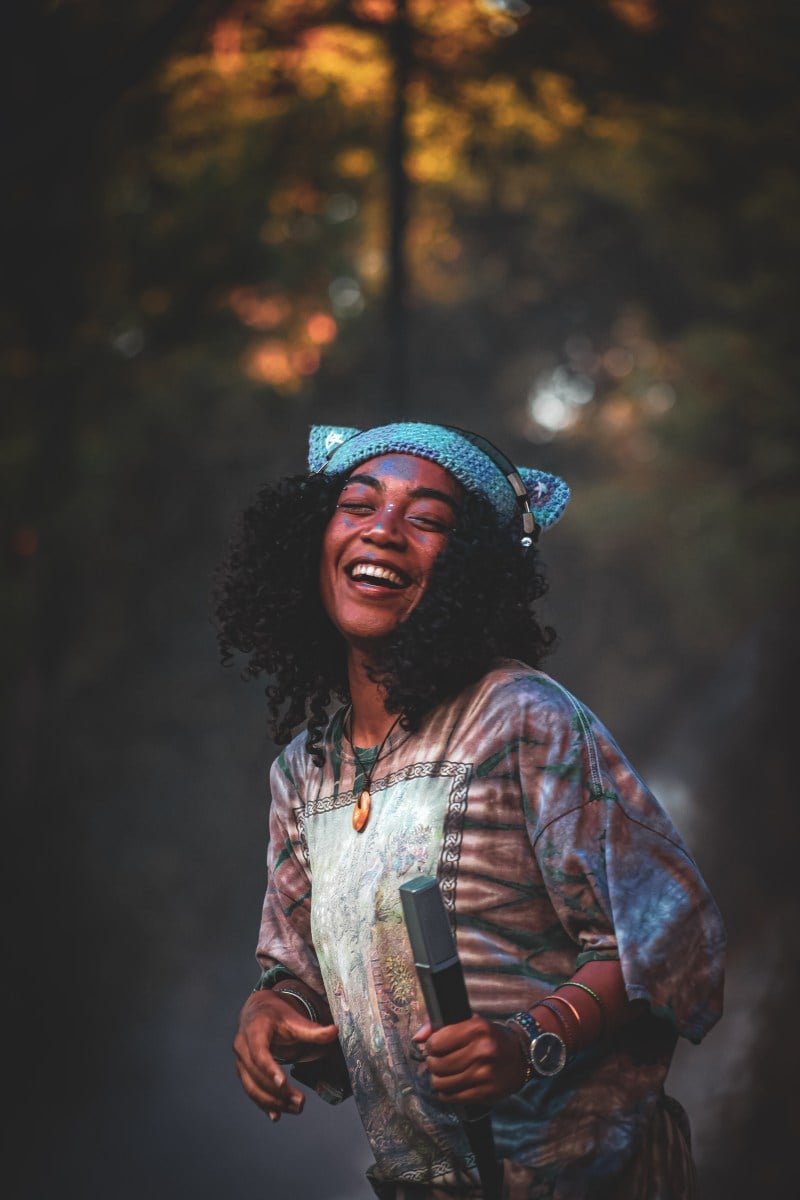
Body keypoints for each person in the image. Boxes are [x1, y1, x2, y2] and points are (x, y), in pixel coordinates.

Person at [214, 421, 725, 1200]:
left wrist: (530, 1043)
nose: (382, 529)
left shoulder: (520, 718)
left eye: (426, 520)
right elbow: (299, 979)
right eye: (357, 505)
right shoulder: (302, 772)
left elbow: (668, 933)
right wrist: (270, 1011)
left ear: (471, 571)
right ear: (310, 543)